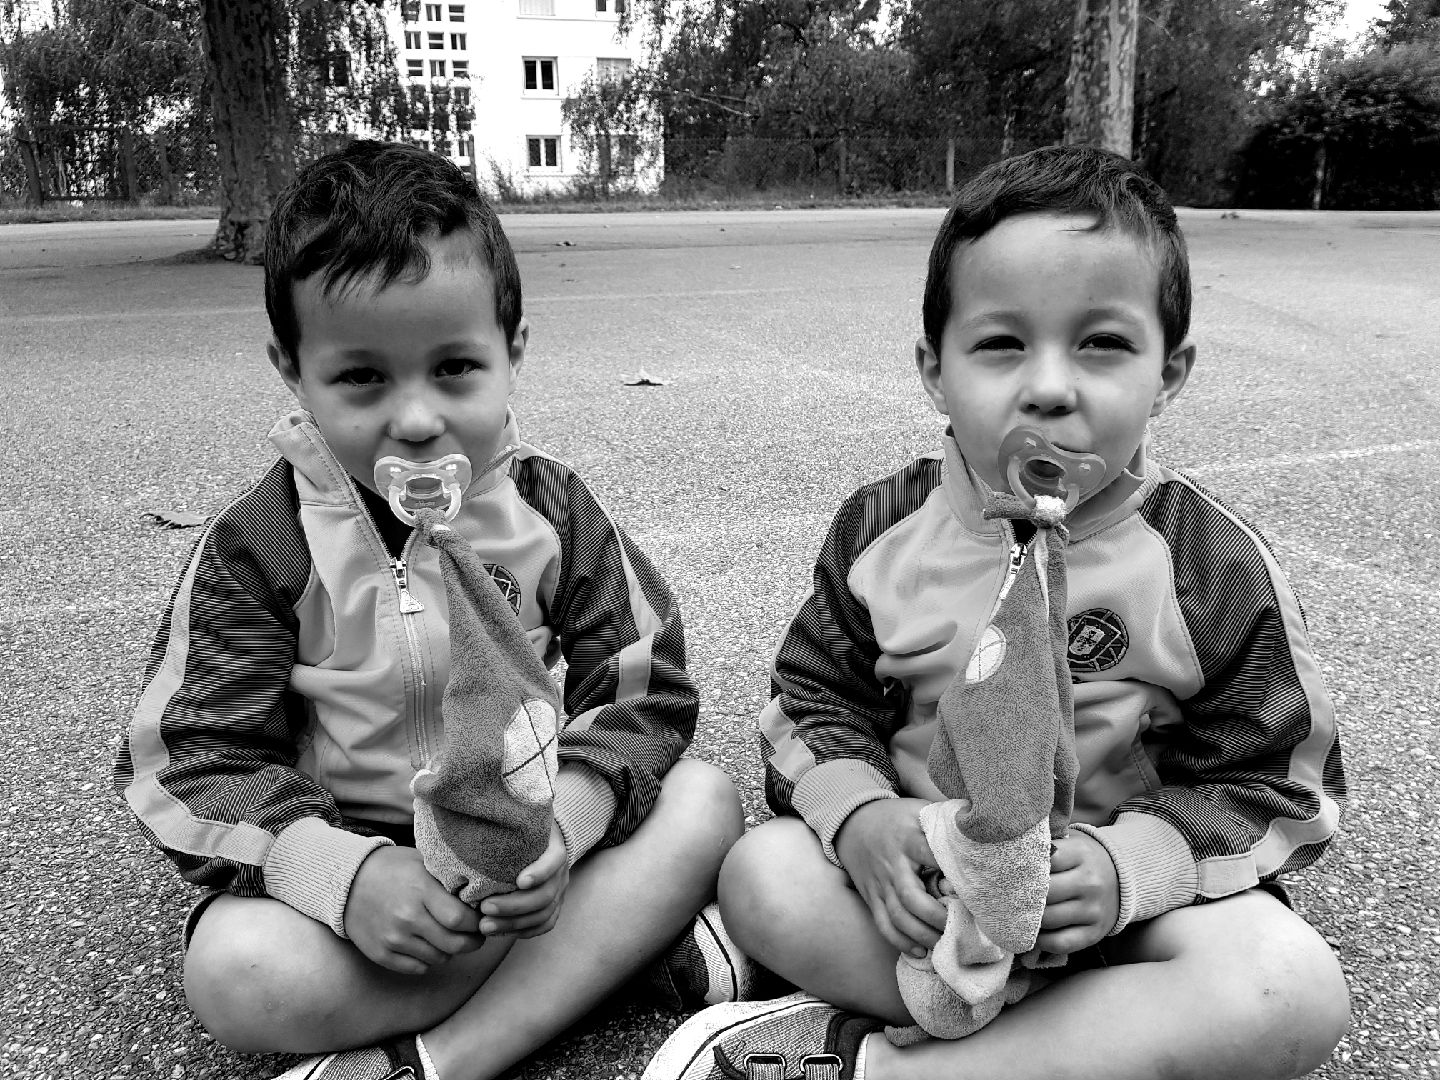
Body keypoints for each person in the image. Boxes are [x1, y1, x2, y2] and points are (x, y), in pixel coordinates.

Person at [641, 145, 1349, 1080]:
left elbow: (1283, 780)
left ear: (1169, 371)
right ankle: (1069, 1044)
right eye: (1002, 344)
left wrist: (1133, 867)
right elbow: (811, 704)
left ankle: (878, 1063)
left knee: (1292, 987)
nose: (1050, 386)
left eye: (1102, 343)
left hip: (1121, 914)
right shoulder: (882, 527)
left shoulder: (1210, 563)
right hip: (926, 896)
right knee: (759, 874)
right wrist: (862, 825)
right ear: (936, 368)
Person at [113, 139, 748, 1080]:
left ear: (513, 351)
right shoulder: (261, 545)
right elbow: (193, 754)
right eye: (362, 378)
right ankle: (616, 952)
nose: (415, 419)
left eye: (455, 368)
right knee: (229, 973)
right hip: (372, 872)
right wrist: (339, 873)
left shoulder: (556, 510)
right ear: (293, 368)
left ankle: (444, 1054)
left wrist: (568, 825)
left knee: (706, 800)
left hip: (530, 843)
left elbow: (644, 685)